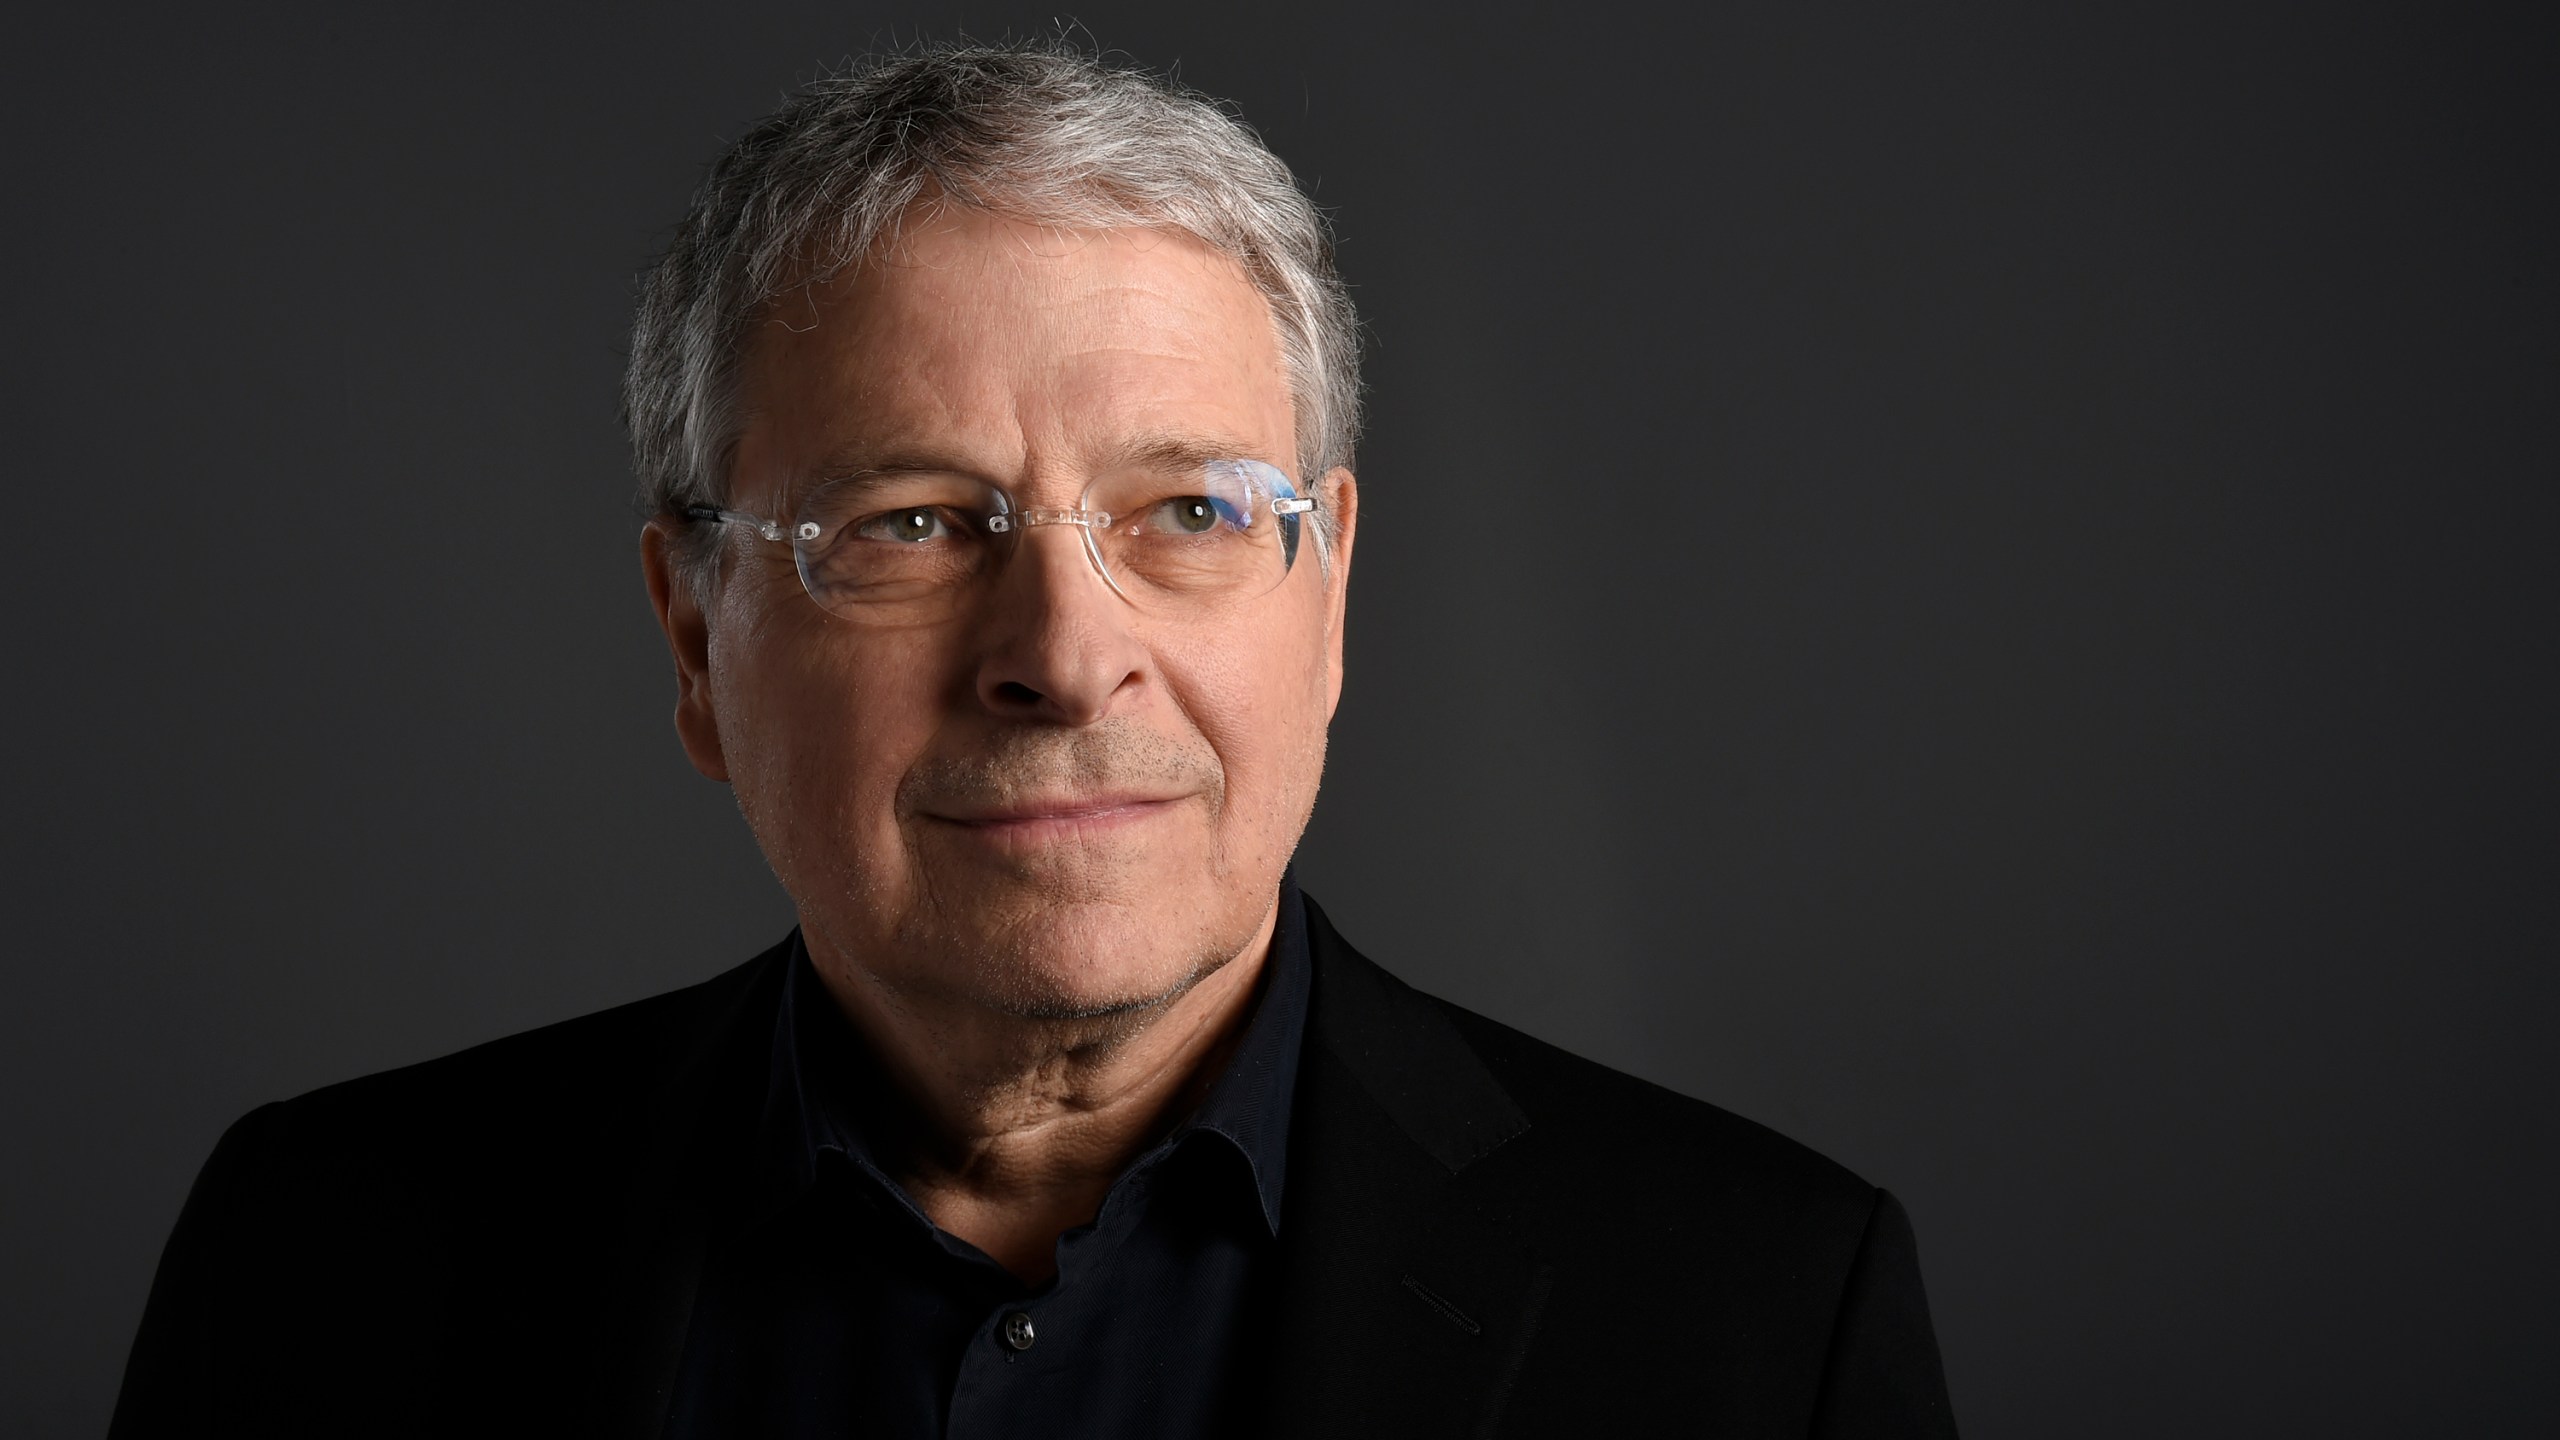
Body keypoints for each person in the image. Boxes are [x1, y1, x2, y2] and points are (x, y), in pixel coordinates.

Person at [111, 41, 1957, 1439]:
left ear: (1329, 599)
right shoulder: (318, 1259)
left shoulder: (1760, 1313)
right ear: (694, 635)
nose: (1069, 662)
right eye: (914, 523)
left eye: (1193, 513)